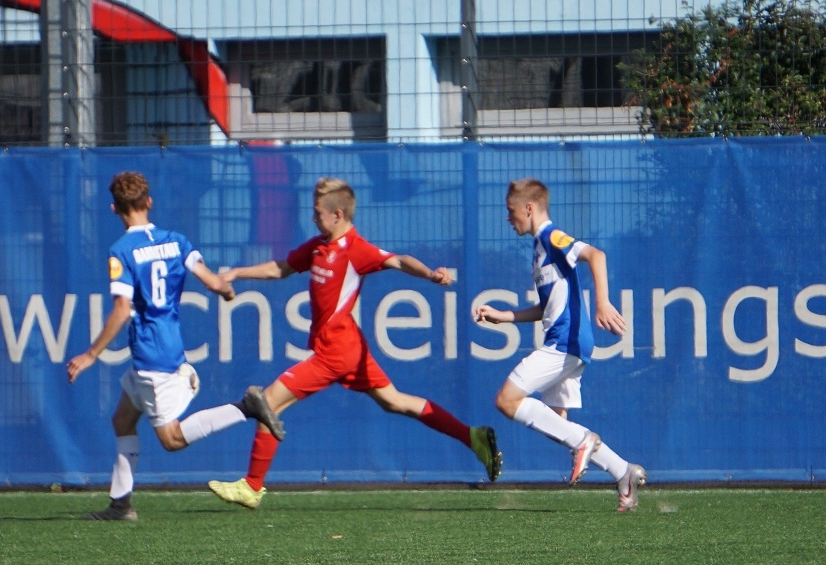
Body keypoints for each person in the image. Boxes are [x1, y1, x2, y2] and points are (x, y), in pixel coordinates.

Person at [205, 176, 501, 509]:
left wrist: (431, 274)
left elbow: (399, 260)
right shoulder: (319, 246)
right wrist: (236, 274)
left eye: (318, 212)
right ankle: (473, 437)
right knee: (394, 401)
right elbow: (281, 268)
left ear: (339, 214)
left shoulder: (354, 249)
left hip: (337, 353)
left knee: (268, 401)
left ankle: (252, 486)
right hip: (349, 347)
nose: (313, 217)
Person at [67, 171, 284, 521]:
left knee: (171, 440)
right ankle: (120, 504)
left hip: (154, 356)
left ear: (114, 209)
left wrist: (91, 354)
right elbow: (212, 281)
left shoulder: (121, 251)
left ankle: (246, 407)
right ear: (148, 202)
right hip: (155, 353)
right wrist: (227, 290)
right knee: (122, 419)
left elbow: (122, 308)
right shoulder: (177, 241)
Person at [472, 178, 646, 512]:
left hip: (565, 343)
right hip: (566, 342)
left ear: (529, 208)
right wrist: (504, 316)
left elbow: (596, 255)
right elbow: (546, 307)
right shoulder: (540, 248)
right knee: (558, 423)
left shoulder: (552, 237)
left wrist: (603, 303)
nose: (509, 219)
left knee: (507, 400)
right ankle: (623, 472)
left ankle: (585, 441)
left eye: (511, 212)